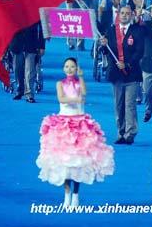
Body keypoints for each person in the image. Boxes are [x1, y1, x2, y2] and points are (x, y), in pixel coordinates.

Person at [36, 57, 114, 207]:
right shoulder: (60, 84)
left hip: (80, 125)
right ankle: (66, 195)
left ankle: (76, 196)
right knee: (64, 162)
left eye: (72, 66)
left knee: (80, 162)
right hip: (63, 125)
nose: (69, 69)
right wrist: (77, 100)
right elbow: (62, 98)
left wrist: (82, 76)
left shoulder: (79, 83)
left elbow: (84, 92)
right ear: (64, 68)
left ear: (76, 68)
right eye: (67, 66)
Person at [101, 5, 144, 145]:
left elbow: (139, 52)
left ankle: (130, 133)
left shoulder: (137, 31)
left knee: (129, 105)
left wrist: (127, 64)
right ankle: (120, 132)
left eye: (127, 13)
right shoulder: (111, 31)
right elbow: (106, 52)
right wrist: (103, 45)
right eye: (122, 13)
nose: (124, 16)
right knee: (119, 105)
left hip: (132, 75)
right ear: (118, 15)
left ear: (131, 15)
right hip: (116, 75)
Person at [9, 22, 45, 103]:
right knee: (18, 69)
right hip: (17, 43)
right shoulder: (12, 10)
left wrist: (42, 46)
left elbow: (42, 27)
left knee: (30, 70)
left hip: (32, 44)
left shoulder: (36, 10)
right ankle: (19, 90)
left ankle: (29, 94)